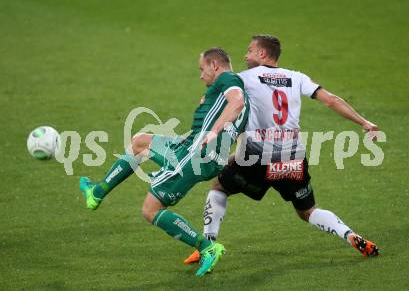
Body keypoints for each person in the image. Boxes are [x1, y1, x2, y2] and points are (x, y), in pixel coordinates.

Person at [183, 35, 380, 265]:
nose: (245, 56)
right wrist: (364, 122)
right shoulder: (296, 78)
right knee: (307, 210)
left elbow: (221, 102)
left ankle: (207, 243)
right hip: (293, 156)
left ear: (262, 54)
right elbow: (330, 100)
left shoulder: (243, 79)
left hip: (257, 155)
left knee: (219, 186)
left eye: (249, 51)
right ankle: (348, 234)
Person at [79, 47, 249, 276]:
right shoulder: (233, 94)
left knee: (151, 210)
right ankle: (97, 191)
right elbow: (234, 129)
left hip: (196, 155)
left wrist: (212, 134)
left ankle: (207, 247)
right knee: (141, 141)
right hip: (195, 149)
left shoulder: (228, 80)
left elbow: (235, 103)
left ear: (215, 66)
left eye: (202, 69)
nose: (201, 75)